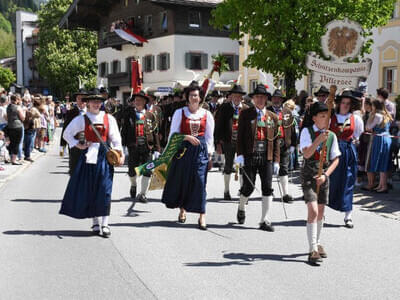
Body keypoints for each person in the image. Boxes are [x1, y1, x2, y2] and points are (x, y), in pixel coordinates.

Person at [60, 91, 124, 237]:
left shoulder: (109, 118)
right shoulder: (81, 119)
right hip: (89, 156)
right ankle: (95, 221)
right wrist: (77, 144)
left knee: (105, 189)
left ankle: (105, 223)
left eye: (99, 101)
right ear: (87, 103)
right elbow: (66, 134)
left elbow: (116, 139)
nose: (96, 104)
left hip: (105, 156)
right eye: (93, 101)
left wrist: (120, 153)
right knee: (91, 189)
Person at [161, 82, 214, 230]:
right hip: (183, 150)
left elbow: (210, 137)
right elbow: (173, 134)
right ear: (187, 97)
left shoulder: (207, 114)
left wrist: (210, 155)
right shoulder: (180, 112)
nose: (194, 98)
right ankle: (182, 209)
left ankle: (202, 214)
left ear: (200, 97)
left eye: (196, 95)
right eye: (191, 95)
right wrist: (185, 137)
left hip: (200, 151)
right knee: (184, 180)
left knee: (200, 181)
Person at [234, 84, 280, 232]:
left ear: (267, 99)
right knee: (249, 187)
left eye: (263, 97)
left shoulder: (272, 117)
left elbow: (276, 139)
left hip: (267, 155)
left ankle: (264, 220)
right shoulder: (245, 114)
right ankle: (241, 207)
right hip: (249, 154)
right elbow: (239, 136)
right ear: (253, 99)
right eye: (257, 97)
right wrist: (239, 155)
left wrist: (277, 160)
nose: (260, 100)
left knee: (267, 188)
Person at [300, 102, 340, 265]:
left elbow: (336, 159)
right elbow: (307, 154)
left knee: (321, 211)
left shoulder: (332, 136)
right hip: (309, 175)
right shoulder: (306, 132)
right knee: (313, 210)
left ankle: (317, 241)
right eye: (322, 116)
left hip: (323, 175)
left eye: (328, 116)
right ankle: (312, 248)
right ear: (315, 118)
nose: (326, 119)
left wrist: (326, 175)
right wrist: (318, 140)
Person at [328, 90, 364, 228]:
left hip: (348, 152)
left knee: (348, 182)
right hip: (333, 151)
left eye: (348, 103)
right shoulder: (331, 118)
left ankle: (348, 216)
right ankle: (322, 209)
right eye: (343, 103)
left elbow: (358, 134)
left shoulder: (356, 119)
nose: (345, 105)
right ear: (339, 103)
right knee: (332, 181)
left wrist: (354, 141)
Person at [121, 91, 160, 203]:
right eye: (136, 100)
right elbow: (124, 130)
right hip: (133, 146)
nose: (138, 102)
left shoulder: (150, 115)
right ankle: (133, 185)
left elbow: (155, 132)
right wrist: (123, 146)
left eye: (140, 100)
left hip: (147, 147)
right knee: (132, 171)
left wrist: (157, 149)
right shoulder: (128, 114)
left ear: (144, 102)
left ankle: (143, 194)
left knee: (148, 170)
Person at [215, 84, 248, 200]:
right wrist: (218, 143)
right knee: (228, 165)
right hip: (228, 140)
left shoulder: (246, 109)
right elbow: (218, 126)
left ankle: (242, 191)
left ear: (241, 97)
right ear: (231, 96)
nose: (236, 98)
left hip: (242, 142)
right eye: (234, 96)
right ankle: (226, 190)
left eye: (239, 96)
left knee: (243, 167)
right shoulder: (224, 108)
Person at [268, 89, 297, 203]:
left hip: (284, 144)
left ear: (281, 100)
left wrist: (293, 144)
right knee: (269, 168)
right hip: (270, 144)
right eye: (274, 98)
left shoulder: (287, 112)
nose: (276, 100)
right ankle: (268, 190)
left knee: (284, 168)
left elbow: (292, 129)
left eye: (278, 98)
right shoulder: (267, 111)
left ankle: (285, 194)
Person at [363, 99, 392, 193]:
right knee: (383, 161)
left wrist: (370, 117)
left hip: (380, 140)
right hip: (386, 139)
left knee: (381, 162)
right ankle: (381, 184)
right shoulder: (386, 115)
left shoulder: (377, 115)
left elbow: (368, 127)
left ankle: (383, 186)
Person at [61, 89, 88, 175]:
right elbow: (65, 129)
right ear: (76, 100)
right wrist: (62, 147)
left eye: (84, 98)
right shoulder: (71, 113)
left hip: (89, 145)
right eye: (79, 98)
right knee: (74, 169)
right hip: (75, 145)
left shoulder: (92, 113)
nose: (81, 101)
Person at [6, 94, 25, 165]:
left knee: (12, 142)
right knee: (17, 143)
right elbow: (23, 118)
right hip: (17, 126)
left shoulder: (8, 107)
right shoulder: (18, 107)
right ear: (16, 100)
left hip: (10, 126)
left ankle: (10, 158)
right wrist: (24, 112)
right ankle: (14, 160)